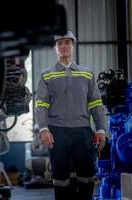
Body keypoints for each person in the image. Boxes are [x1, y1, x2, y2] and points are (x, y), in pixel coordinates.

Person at [34, 30, 106, 200]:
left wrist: (101, 129)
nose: (63, 46)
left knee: (87, 175)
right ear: (55, 48)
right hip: (57, 132)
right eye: (59, 43)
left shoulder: (86, 73)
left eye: (67, 42)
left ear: (73, 46)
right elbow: (41, 104)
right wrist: (44, 129)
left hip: (83, 132)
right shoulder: (47, 74)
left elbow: (96, 103)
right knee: (60, 178)